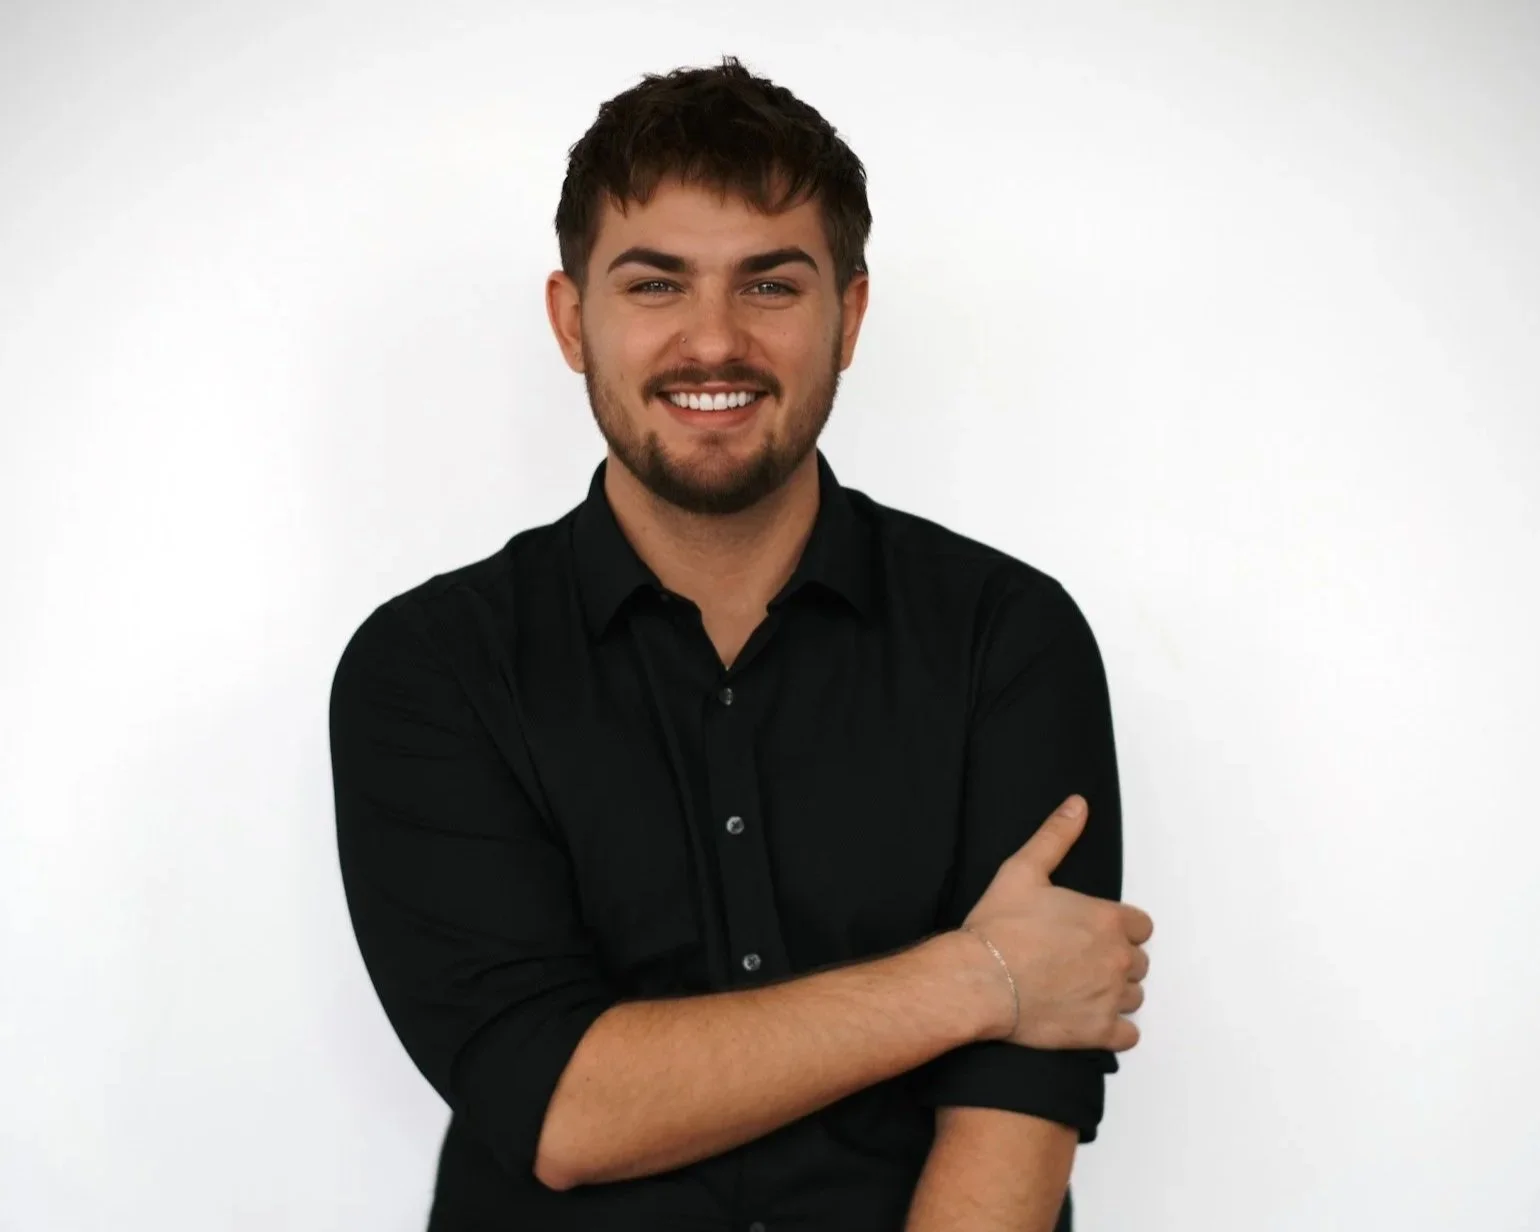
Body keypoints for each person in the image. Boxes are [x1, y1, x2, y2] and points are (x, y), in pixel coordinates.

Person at [328, 54, 1153, 1232]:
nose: (712, 342)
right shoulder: (429, 668)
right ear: (571, 319)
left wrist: (1015, 997)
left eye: (769, 284)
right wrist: (982, 977)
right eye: (654, 284)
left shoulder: (1006, 635)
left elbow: (1020, 1107)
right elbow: (559, 1103)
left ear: (848, 316)